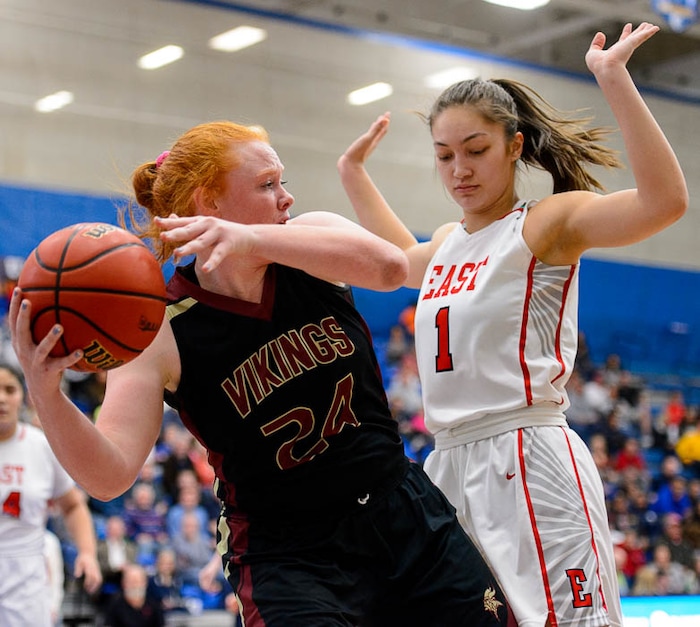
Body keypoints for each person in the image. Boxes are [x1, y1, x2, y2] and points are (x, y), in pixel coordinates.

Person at [9, 122, 513, 626]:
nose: (286, 198)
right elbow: (109, 475)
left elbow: (389, 269)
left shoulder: (311, 240)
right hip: (289, 555)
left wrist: (252, 239)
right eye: (268, 185)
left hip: (398, 510)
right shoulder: (164, 329)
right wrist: (46, 392)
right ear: (210, 200)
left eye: (283, 181)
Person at [337, 22, 687, 627]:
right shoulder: (446, 243)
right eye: (444, 156)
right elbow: (393, 266)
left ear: (515, 146)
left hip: (527, 452)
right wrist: (352, 176)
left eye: (475, 151)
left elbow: (665, 203)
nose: (458, 170)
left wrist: (615, 80)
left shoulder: (545, 224)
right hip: (446, 464)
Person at [0, 362, 103, 627]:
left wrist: (87, 553)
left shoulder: (40, 446)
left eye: (9, 389)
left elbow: (72, 506)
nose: (1, 398)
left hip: (26, 576)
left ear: (22, 395)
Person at [103, 562, 165, 627]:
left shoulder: (153, 603)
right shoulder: (115, 604)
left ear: (145, 583)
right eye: (131, 581)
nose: (134, 586)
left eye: (137, 581)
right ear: (123, 583)